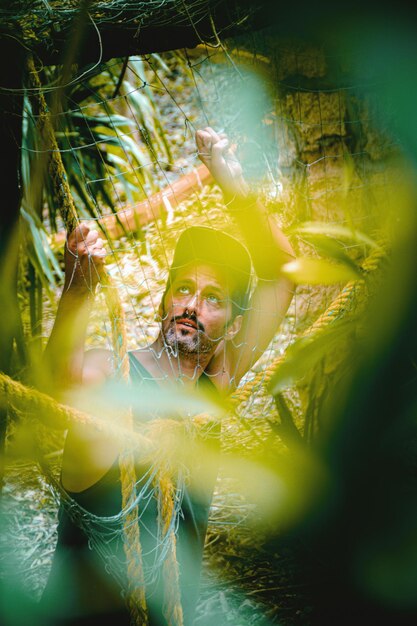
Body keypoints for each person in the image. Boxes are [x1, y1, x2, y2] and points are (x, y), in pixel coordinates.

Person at [40, 127, 295, 625]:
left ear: (234, 325)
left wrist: (235, 188)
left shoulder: (215, 382)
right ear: (163, 301)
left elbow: (284, 270)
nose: (193, 306)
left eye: (214, 299)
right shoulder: (111, 371)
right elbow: (59, 383)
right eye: (183, 288)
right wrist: (77, 292)